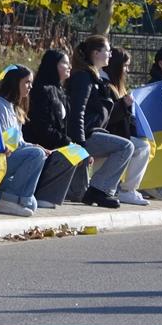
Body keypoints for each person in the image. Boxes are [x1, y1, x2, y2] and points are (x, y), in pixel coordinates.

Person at [65, 35, 133, 208]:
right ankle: (99, 191)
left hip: (91, 133)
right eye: (107, 51)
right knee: (126, 146)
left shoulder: (94, 77)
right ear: (96, 53)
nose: (110, 54)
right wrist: (80, 145)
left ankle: (96, 191)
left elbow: (103, 114)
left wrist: (124, 107)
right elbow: (77, 112)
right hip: (85, 135)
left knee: (78, 195)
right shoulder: (84, 77)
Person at [25, 49, 86, 204]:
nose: (69, 66)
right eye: (64, 62)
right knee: (73, 151)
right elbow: (42, 128)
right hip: (38, 145)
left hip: (53, 143)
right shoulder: (40, 90)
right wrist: (68, 143)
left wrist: (72, 144)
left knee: (79, 153)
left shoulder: (61, 91)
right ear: (53, 65)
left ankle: (72, 194)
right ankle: (43, 194)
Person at [0, 66, 45, 216]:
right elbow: (7, 143)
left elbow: (17, 141)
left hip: (8, 159)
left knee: (32, 204)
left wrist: (33, 146)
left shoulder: (13, 107)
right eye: (27, 82)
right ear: (15, 83)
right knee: (36, 155)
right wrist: (34, 150)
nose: (30, 87)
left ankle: (3, 197)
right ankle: (9, 201)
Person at [101, 47, 151, 206]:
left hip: (116, 134)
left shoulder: (115, 84)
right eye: (125, 66)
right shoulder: (106, 85)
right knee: (142, 147)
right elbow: (106, 117)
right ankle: (127, 190)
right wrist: (123, 104)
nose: (127, 70)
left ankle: (126, 189)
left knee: (143, 145)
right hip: (107, 134)